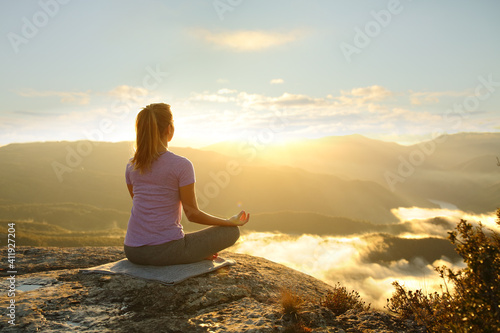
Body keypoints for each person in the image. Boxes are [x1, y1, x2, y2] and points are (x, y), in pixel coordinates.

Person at [123, 103, 250, 266]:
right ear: (169, 129)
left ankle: (191, 254)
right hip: (167, 250)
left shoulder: (131, 165)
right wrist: (229, 222)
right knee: (231, 232)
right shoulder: (181, 165)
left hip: (133, 251)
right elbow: (192, 214)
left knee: (189, 242)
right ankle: (192, 255)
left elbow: (140, 203)